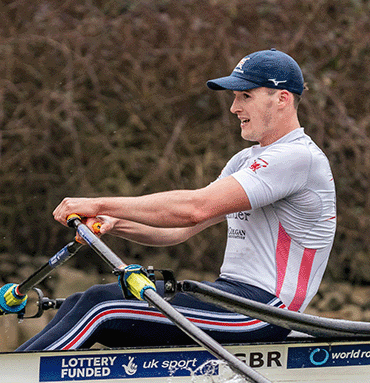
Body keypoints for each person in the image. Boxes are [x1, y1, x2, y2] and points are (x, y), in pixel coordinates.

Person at [18, 49, 336, 351]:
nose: (234, 108)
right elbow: (177, 231)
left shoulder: (297, 157)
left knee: (100, 306)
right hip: (233, 298)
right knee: (79, 300)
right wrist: (116, 224)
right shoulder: (246, 161)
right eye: (236, 97)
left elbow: (194, 209)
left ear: (282, 99)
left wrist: (100, 205)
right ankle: (17, 370)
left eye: (245, 96)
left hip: (263, 311)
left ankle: (13, 382)